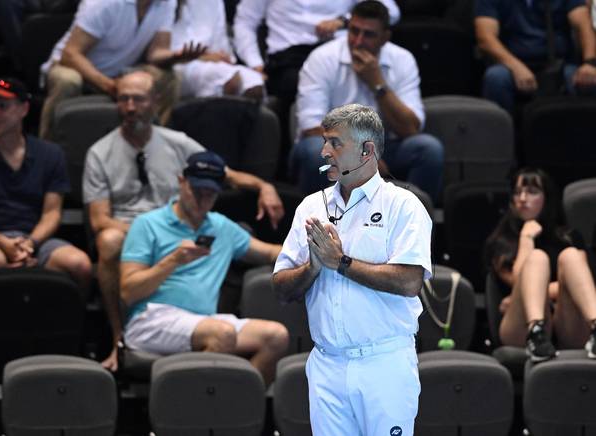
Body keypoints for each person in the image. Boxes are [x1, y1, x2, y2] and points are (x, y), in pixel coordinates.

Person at [83, 69, 285, 371]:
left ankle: (237, 402)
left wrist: (263, 186)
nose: (129, 107)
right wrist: (166, 249)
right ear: (182, 183)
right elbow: (99, 221)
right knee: (109, 241)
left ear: (155, 102)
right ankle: (118, 337)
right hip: (137, 233)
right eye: (123, 99)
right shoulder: (100, 153)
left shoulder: (179, 147)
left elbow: (223, 174)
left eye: (137, 99)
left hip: (185, 239)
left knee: (276, 336)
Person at [273, 104, 432, 436]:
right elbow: (281, 288)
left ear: (367, 150)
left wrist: (340, 263)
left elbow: (409, 281)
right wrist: (313, 267)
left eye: (335, 143)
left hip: (384, 364)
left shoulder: (403, 205)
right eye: (324, 142)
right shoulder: (310, 206)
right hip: (327, 364)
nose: (324, 151)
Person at [120, 150, 288, 384]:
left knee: (276, 336)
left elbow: (270, 252)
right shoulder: (147, 224)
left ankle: (234, 407)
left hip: (203, 320)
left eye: (210, 194)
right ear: (181, 182)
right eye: (196, 191)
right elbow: (128, 292)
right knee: (222, 333)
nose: (202, 200)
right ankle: (197, 412)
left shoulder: (221, 227)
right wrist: (173, 260)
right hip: (151, 320)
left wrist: (315, 248)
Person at [291, 0, 443, 202]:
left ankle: (410, 223)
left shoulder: (402, 60)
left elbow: (411, 129)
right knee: (312, 151)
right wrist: (361, 157)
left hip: (385, 147)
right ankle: (323, 224)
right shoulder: (322, 58)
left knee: (428, 149)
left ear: (385, 38)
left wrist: (378, 84)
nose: (358, 41)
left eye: (368, 34)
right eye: (354, 31)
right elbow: (312, 128)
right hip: (330, 145)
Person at [0, 77, 92, 291]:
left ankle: (70, 323)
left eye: (2, 107)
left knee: (80, 264)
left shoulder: (50, 154)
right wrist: (3, 243)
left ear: (24, 109)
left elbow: (52, 214)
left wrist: (30, 244)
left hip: (36, 238)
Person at [38, 0, 206, 139]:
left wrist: (176, 57)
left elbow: (156, 52)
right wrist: (109, 85)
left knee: (168, 78)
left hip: (119, 72)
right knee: (68, 81)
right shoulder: (104, 3)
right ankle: (49, 148)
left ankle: (153, 142)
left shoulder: (167, 3)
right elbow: (70, 54)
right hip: (71, 66)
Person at [484, 167, 596, 362]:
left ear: (547, 198)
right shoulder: (500, 241)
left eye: (532, 192)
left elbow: (585, 285)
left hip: (567, 323)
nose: (523, 198)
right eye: (518, 192)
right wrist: (526, 237)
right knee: (537, 258)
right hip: (519, 326)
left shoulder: (569, 237)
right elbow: (521, 282)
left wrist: (551, 288)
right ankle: (536, 333)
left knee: (571, 256)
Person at [233, 0, 400, 111]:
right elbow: (245, 21)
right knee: (299, 89)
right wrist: (255, 63)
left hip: (339, 51)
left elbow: (390, 12)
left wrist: (345, 21)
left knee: (367, 74)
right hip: (288, 59)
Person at [475, 0, 596, 114]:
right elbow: (485, 38)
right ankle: (501, 133)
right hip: (512, 64)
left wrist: (589, 63)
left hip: (560, 64)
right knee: (495, 78)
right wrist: (516, 67)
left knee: (588, 82)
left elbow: (583, 26)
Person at [171, 0, 264, 100]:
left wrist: (224, 57)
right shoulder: (167, 3)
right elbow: (165, 49)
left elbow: (221, 43)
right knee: (229, 79)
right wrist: (202, 57)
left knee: (254, 84)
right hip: (177, 63)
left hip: (210, 63)